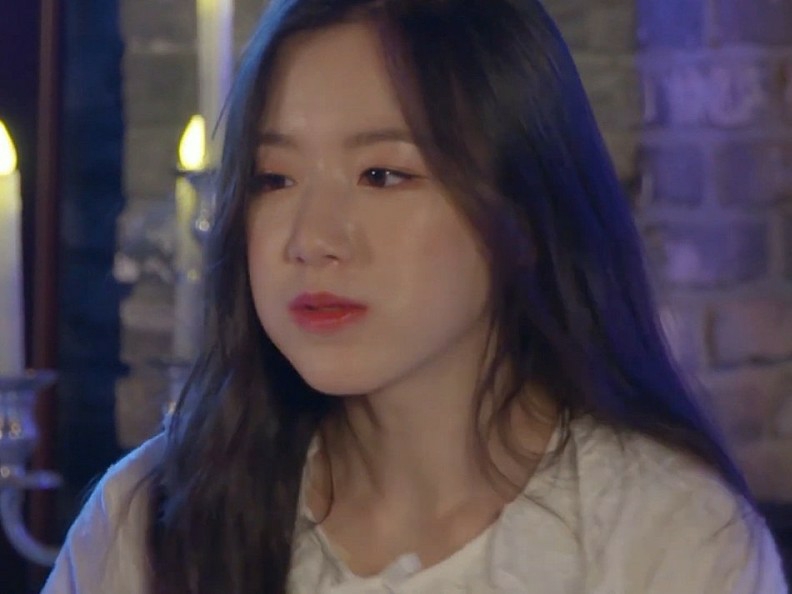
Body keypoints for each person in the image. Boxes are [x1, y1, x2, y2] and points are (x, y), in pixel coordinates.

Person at [42, 0, 787, 592]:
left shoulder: (670, 539)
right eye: (274, 179)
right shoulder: (150, 517)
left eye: (382, 175)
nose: (311, 238)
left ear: (524, 211)